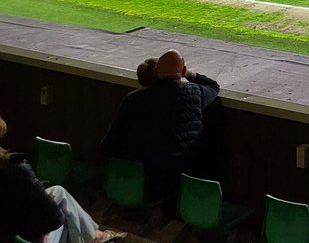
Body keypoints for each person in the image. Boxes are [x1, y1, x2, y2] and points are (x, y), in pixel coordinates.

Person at [100, 49, 219, 202]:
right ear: (182, 71)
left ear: (156, 72)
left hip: (141, 178)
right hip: (183, 178)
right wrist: (188, 74)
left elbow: (109, 145)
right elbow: (213, 86)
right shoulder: (194, 93)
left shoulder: (133, 100)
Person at [0, 115, 124, 243]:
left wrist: (39, 192)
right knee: (67, 218)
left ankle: (95, 235)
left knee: (59, 191)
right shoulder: (18, 171)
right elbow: (55, 220)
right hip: (24, 237)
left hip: (10, 229)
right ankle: (94, 237)